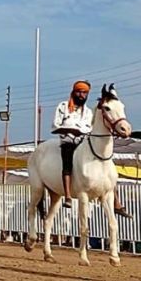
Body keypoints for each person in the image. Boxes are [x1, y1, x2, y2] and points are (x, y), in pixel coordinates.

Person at [52, 80, 131, 217]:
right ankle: (68, 196)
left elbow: (89, 127)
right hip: (68, 141)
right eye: (79, 92)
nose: (81, 95)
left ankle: (116, 202)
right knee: (67, 161)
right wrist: (70, 130)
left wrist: (83, 132)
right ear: (74, 92)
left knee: (106, 164)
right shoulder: (63, 106)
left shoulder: (88, 111)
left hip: (84, 140)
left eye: (84, 93)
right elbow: (55, 125)